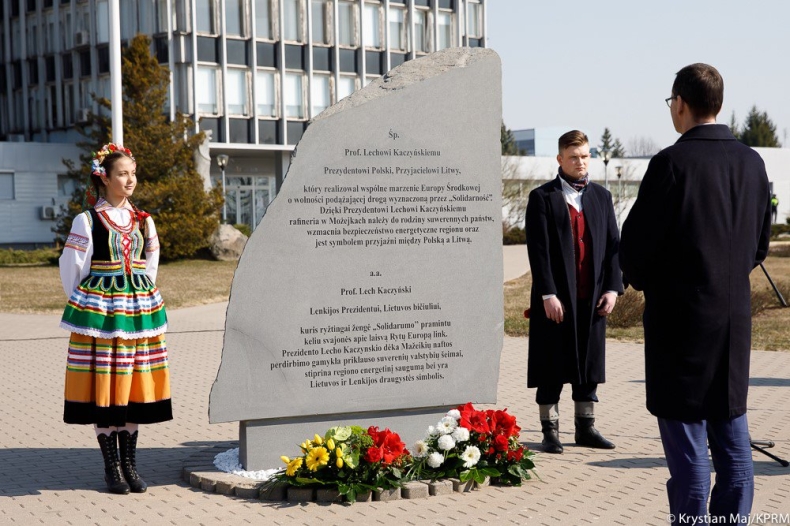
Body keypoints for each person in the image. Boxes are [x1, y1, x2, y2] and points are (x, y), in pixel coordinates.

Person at [619, 64, 771, 524]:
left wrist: (649, 279)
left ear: (680, 104)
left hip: (681, 326)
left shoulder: (672, 163)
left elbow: (636, 249)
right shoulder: (753, 162)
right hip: (733, 322)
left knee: (689, 450)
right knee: (733, 441)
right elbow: (759, 246)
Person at [60, 143, 172, 494]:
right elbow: (72, 267)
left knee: (132, 384)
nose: (130, 179)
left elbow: (150, 264)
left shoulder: (144, 220)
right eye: (122, 173)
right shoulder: (87, 220)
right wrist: (86, 305)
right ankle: (112, 468)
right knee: (105, 387)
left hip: (137, 314)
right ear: (104, 178)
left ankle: (130, 466)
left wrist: (141, 296)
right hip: (102, 316)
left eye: (133, 173)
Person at [525, 130, 623, 454]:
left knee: (588, 365)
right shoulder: (542, 198)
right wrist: (547, 294)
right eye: (573, 157)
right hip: (556, 299)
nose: (580, 162)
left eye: (584, 156)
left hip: (592, 297)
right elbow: (538, 251)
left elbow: (613, 247)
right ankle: (549, 431)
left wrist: (613, 288)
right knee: (551, 364)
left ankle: (586, 427)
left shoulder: (602, 197)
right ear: (560, 159)